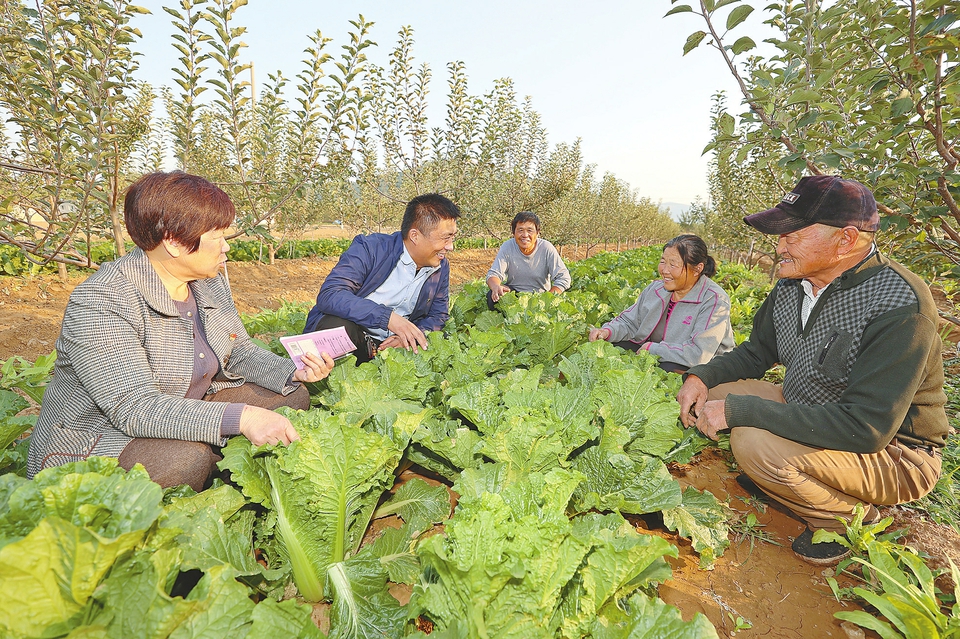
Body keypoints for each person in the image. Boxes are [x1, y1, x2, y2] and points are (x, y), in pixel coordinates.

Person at [676, 175, 948, 565]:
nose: (779, 245)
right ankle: (789, 477)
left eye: (792, 234)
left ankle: (847, 519)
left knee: (752, 441)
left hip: (895, 452)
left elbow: (865, 427)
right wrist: (700, 376)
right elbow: (757, 351)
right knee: (718, 391)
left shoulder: (899, 304)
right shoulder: (795, 283)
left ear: (846, 239)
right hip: (813, 406)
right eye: (779, 235)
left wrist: (742, 413)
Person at [27, 171, 335, 491]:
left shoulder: (208, 281)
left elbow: (238, 349)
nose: (226, 247)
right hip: (104, 436)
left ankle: (226, 478)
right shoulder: (102, 300)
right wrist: (243, 418)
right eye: (217, 237)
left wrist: (294, 370)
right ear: (174, 242)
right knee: (187, 460)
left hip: (184, 403)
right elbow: (134, 408)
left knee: (290, 395)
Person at [303, 193, 461, 363]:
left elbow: (438, 316)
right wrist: (388, 318)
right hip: (357, 338)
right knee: (334, 328)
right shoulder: (371, 249)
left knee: (429, 347)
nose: (450, 247)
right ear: (415, 236)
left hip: (390, 348)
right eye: (445, 238)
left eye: (453, 237)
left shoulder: (439, 266)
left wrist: (410, 335)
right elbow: (331, 294)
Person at [587, 234, 735, 373]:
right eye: (663, 262)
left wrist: (653, 349)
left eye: (673, 265)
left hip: (704, 367)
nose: (664, 270)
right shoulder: (656, 288)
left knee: (667, 368)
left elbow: (698, 355)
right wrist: (607, 331)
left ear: (697, 269)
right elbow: (631, 321)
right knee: (612, 347)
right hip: (659, 351)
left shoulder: (714, 299)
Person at [485, 211, 571, 309]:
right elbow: (493, 274)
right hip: (515, 294)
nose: (525, 235)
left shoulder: (546, 248)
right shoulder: (507, 247)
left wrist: (548, 298)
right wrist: (496, 287)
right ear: (513, 233)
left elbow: (564, 278)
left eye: (530, 230)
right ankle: (505, 323)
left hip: (539, 296)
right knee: (492, 296)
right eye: (520, 230)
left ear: (537, 233)